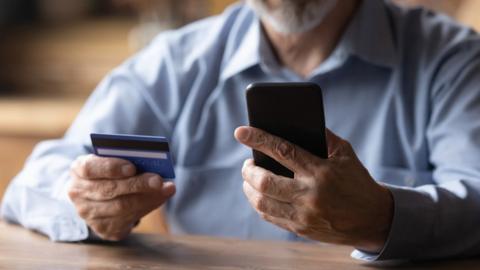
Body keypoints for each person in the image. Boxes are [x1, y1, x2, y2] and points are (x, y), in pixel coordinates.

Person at [2, 0, 480, 261]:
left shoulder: (451, 61)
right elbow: (34, 182)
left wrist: (384, 216)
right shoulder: (175, 64)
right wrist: (83, 200)